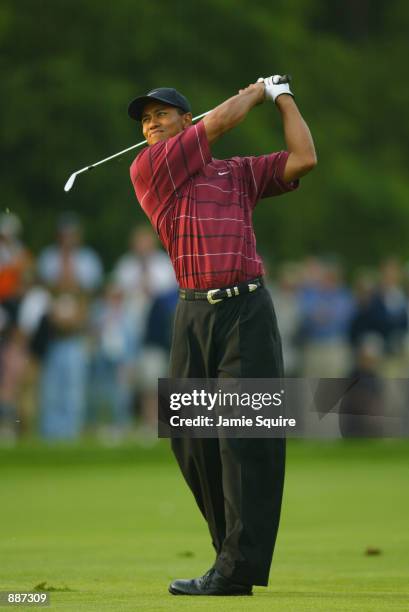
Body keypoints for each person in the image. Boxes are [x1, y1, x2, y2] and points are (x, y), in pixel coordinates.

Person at [128, 76, 317, 596]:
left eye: (161, 114)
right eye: (145, 119)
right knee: (189, 440)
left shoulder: (237, 174)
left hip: (247, 313)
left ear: (184, 121)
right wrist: (259, 89)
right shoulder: (151, 169)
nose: (151, 123)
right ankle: (227, 555)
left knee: (244, 438)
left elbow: (304, 158)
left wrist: (283, 97)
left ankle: (235, 567)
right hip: (192, 317)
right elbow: (225, 119)